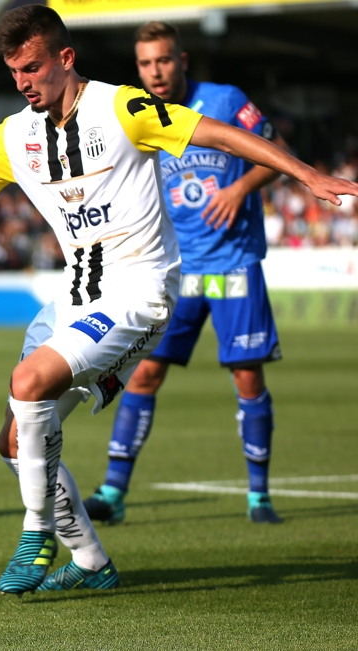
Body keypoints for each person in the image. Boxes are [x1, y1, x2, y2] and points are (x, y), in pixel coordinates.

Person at [0, 5, 357, 594]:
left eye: (33, 68)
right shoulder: (15, 136)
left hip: (141, 291)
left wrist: (304, 173)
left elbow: (215, 133)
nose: (23, 82)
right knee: (17, 443)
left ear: (66, 58)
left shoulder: (122, 108)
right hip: (75, 296)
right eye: (14, 72)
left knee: (27, 384)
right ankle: (92, 562)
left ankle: (35, 531)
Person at [82, 22, 289, 526]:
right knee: (145, 372)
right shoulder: (132, 113)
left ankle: (259, 496)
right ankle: (113, 491)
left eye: (164, 60)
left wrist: (238, 191)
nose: (156, 71)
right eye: (146, 63)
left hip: (232, 264)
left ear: (183, 60)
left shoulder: (223, 101)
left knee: (245, 375)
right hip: (175, 270)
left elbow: (277, 150)